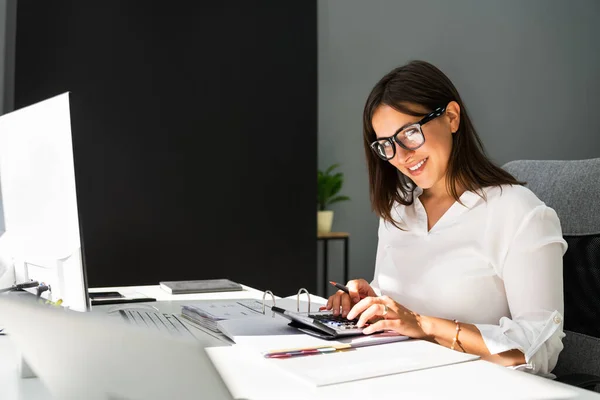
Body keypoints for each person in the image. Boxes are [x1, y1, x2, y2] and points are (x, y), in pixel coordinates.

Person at [326, 60, 566, 377]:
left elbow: (540, 350)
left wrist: (423, 326)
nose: (401, 155)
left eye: (409, 133)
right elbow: (400, 304)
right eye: (386, 145)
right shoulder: (398, 211)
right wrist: (372, 300)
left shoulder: (519, 213)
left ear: (451, 117)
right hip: (400, 376)